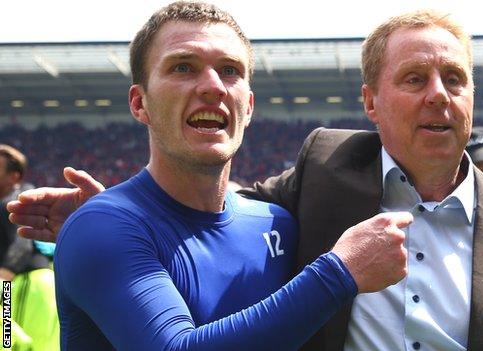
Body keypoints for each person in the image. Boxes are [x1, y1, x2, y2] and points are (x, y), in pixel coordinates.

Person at [8, 8, 483, 351]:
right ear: (370, 103)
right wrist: (110, 219)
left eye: (454, 79)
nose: (438, 97)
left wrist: (115, 215)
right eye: (414, 79)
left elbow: (218, 217)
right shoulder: (325, 173)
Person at [10, 2, 411, 350]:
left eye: (230, 70)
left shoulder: (278, 225)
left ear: (249, 107)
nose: (212, 86)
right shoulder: (102, 227)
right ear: (139, 103)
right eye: (183, 67)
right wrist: (340, 273)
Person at [0, 144, 59, 351]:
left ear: (14, 177)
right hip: (38, 283)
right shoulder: (26, 195)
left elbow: (21, 244)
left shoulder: (13, 202)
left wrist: (4, 277)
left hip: (21, 282)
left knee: (9, 341)